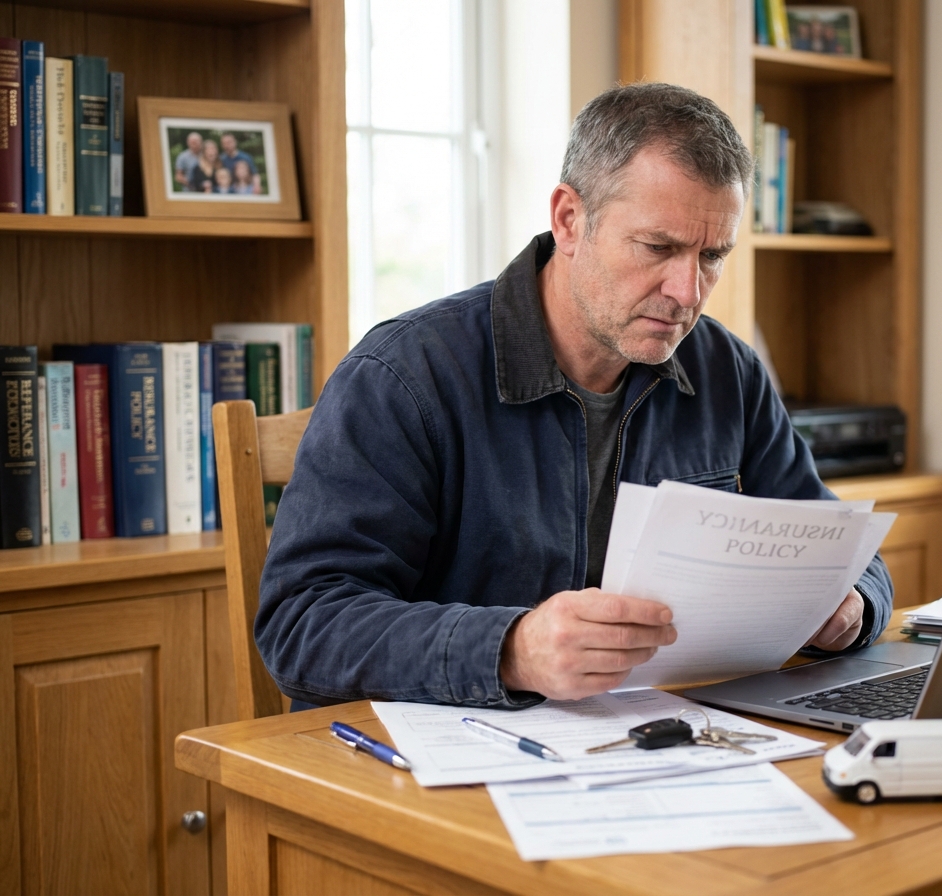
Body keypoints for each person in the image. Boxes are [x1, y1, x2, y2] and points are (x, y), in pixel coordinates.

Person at [257, 82, 893, 710]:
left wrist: (853, 605)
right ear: (568, 219)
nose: (688, 291)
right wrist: (512, 649)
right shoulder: (403, 375)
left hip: (656, 743)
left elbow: (845, 550)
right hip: (439, 764)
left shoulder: (728, 371)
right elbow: (301, 624)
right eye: (659, 247)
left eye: (712, 256)